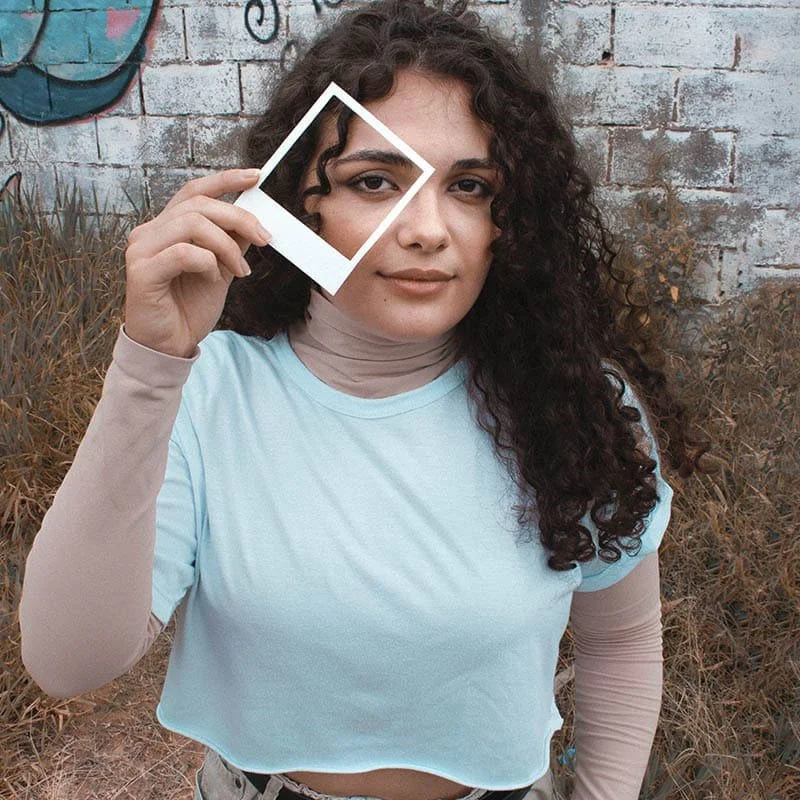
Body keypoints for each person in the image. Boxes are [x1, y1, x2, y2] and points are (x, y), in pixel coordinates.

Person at [18, 1, 707, 799]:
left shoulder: (572, 404)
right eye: (375, 181)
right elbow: (67, 661)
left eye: (470, 186)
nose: (427, 229)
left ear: (509, 220)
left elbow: (621, 643)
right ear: (295, 203)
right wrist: (149, 368)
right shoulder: (208, 392)